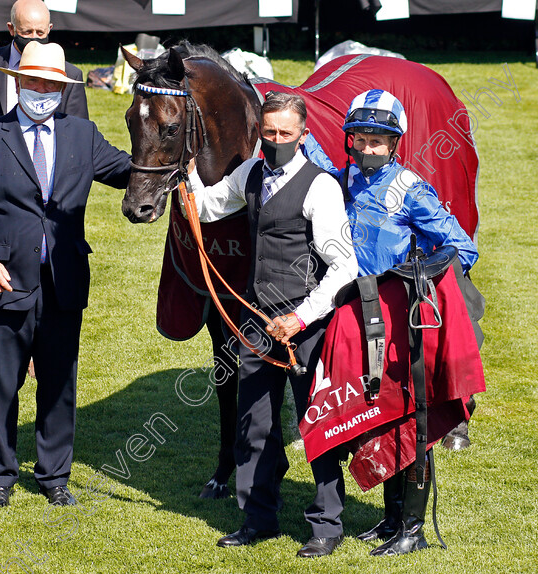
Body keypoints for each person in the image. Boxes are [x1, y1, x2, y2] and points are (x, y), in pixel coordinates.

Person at [0, 41, 130, 509]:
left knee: (59, 382)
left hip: (64, 279)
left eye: (51, 84)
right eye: (33, 82)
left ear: (62, 89)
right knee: (2, 383)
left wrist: (174, 154)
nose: (41, 91)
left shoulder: (83, 134)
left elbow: (130, 171)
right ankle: (0, 476)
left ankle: (53, 476)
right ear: (17, 82)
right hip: (2, 282)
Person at [186, 92, 358, 558]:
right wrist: (183, 173)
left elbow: (343, 267)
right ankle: (258, 517)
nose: (276, 141)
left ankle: (326, 524)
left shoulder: (321, 186)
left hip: (308, 325)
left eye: (285, 133)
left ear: (303, 134)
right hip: (256, 323)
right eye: (269, 133)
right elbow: (207, 207)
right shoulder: (251, 172)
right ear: (259, 132)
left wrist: (300, 317)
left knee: (318, 423)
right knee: (254, 423)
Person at [339, 89, 479, 556]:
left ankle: (413, 531)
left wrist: (421, 275)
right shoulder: (345, 180)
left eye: (379, 140)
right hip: (355, 314)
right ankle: (391, 519)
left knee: (411, 421)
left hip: (401, 321)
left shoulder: (410, 189)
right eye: (361, 137)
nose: (368, 147)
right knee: (375, 417)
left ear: (395, 143)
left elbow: (461, 246)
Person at [0, 0, 88, 169]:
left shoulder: (69, 74)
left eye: (40, 32)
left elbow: (78, 139)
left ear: (49, 29)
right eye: (27, 32)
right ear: (12, 29)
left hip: (44, 173)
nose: (34, 39)